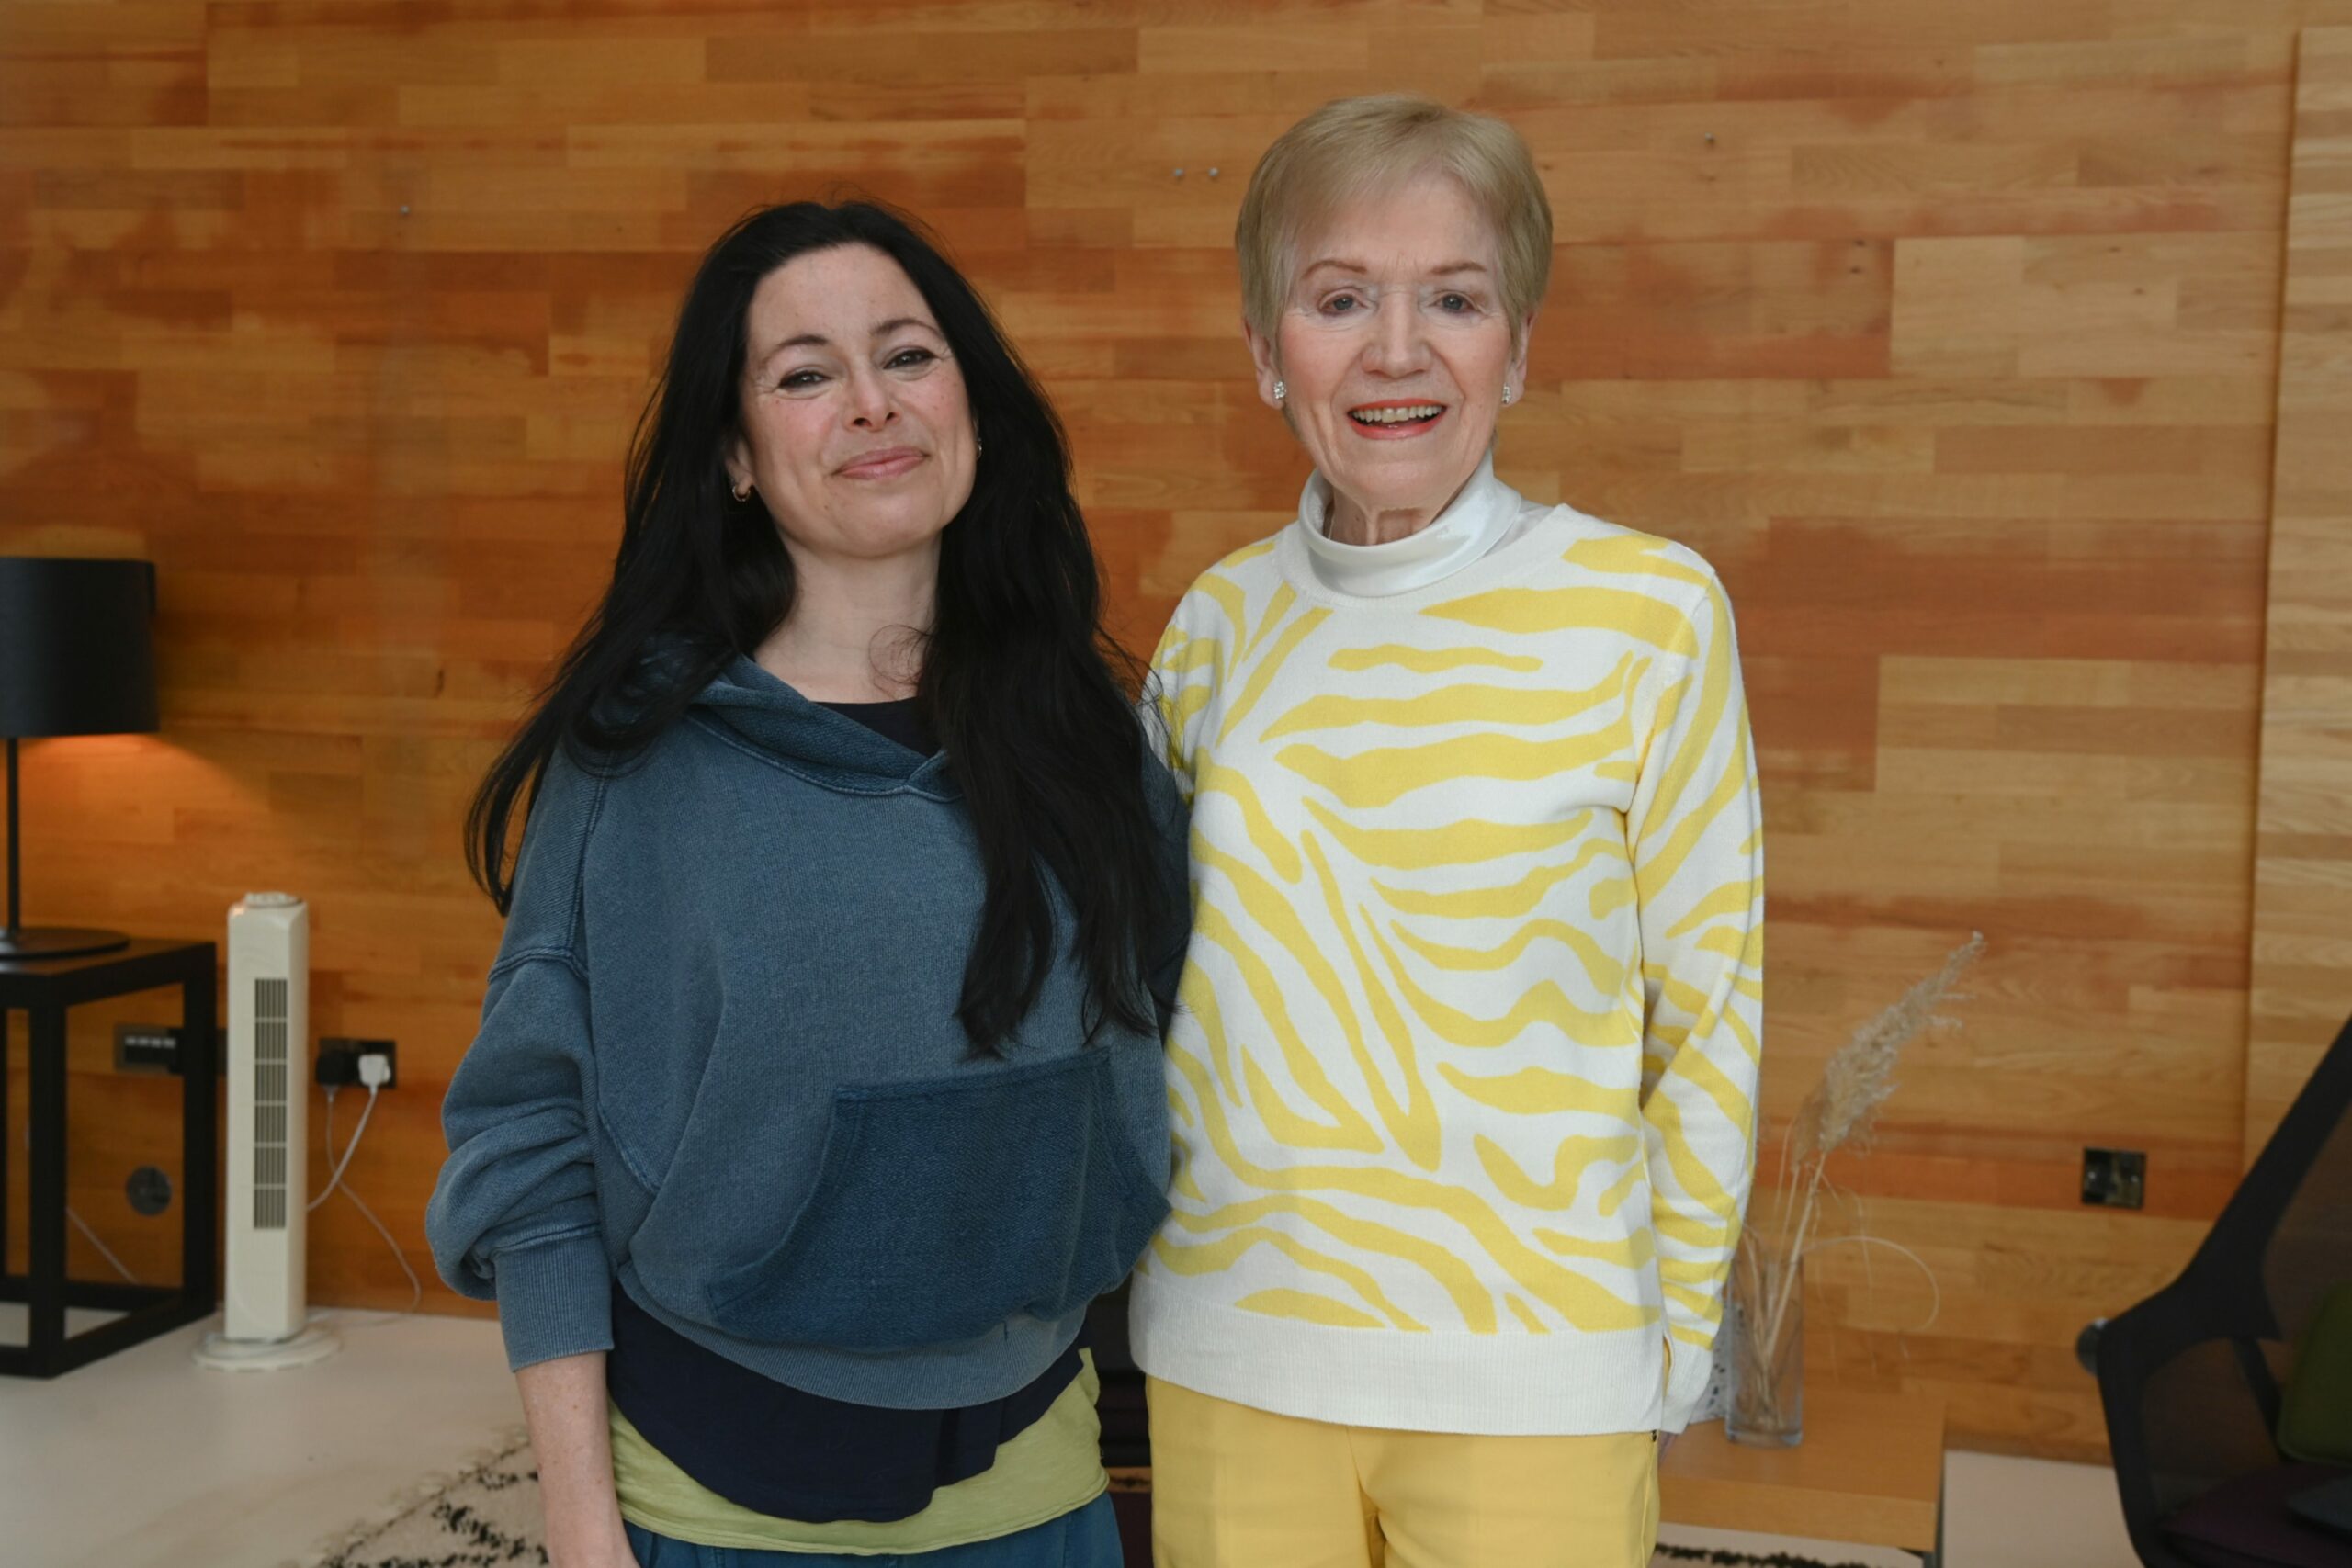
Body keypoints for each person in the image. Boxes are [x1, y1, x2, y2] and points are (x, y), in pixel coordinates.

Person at [424, 200, 1188, 1568]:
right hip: (715, 1505)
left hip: (1040, 1490)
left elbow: (1178, 1052)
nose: (870, 405)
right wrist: (578, 1519)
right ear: (734, 453)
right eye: (803, 373)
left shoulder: (1095, 740)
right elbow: (531, 1141)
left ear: (971, 398)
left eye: (907, 354)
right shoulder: (639, 764)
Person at [1135, 96, 1765, 1568]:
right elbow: (1147, 984)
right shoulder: (1214, 628)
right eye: (1340, 297)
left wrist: (1668, 1352)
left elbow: (1711, 1017)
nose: (1396, 350)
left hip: (1535, 1378)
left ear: (1520, 348)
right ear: (1264, 350)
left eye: (1455, 300)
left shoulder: (1651, 615)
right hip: (1234, 1354)